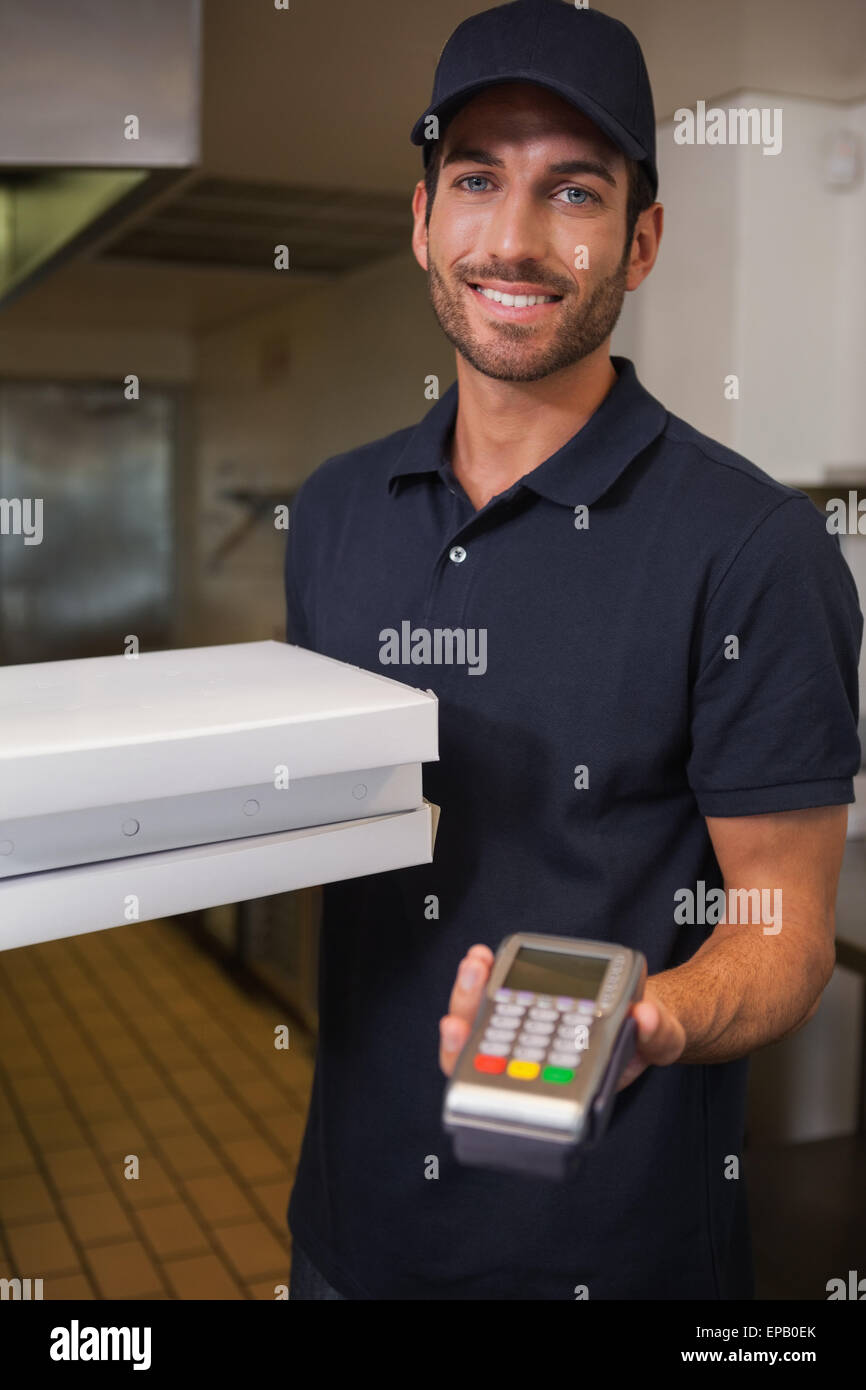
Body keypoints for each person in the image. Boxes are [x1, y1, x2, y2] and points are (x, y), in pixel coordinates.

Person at [284, 0, 862, 1299]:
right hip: (346, 1233)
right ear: (420, 215)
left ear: (640, 239)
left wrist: (652, 1017)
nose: (514, 237)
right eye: (477, 178)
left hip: (612, 1253)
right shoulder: (330, 509)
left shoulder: (751, 547)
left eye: (574, 190)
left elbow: (783, 929)